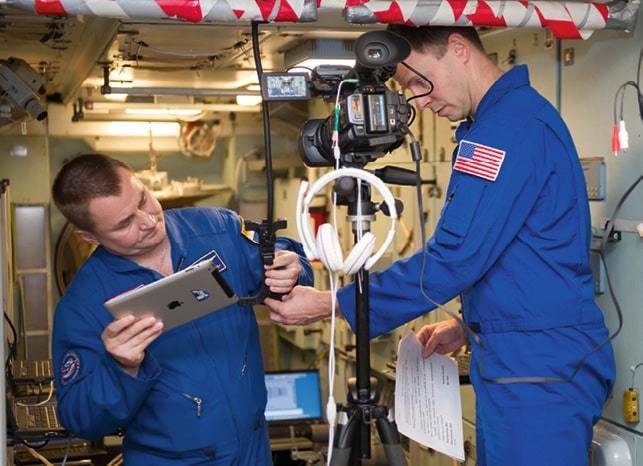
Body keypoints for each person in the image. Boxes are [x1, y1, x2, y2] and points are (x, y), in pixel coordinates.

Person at [266, 26, 615, 466]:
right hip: (520, 360)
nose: (420, 101)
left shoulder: (507, 129)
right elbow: (516, 257)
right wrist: (471, 326)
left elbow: (456, 257)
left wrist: (332, 304)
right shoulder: (499, 123)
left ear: (457, 49)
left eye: (418, 81)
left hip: (538, 369)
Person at [51, 153, 312, 465]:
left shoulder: (217, 227)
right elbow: (81, 420)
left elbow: (281, 261)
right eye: (125, 224)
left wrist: (292, 266)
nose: (148, 222)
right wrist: (121, 368)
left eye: (143, 200)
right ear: (89, 237)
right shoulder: (84, 305)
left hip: (253, 450)